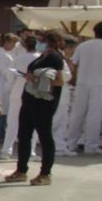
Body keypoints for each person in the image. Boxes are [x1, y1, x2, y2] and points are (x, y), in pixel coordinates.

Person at [6, 30, 66, 185]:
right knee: (24, 135)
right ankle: (21, 170)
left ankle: (45, 173)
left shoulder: (54, 57)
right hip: (30, 99)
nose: (37, 42)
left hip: (43, 102)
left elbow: (60, 81)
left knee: (45, 136)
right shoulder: (43, 55)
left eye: (40, 40)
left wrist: (36, 79)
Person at [62, 23, 102, 154]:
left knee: (77, 114)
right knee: (94, 115)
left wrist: (74, 78)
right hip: (99, 83)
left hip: (82, 82)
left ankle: (70, 144)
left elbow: (73, 63)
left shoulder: (82, 46)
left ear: (94, 32)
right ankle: (91, 146)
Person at [0, 33, 26, 148]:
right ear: (7, 43)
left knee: (0, 111)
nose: (14, 46)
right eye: (13, 43)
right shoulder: (2, 55)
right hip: (3, 86)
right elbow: (6, 72)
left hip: (2, 85)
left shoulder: (0, 54)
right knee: (2, 112)